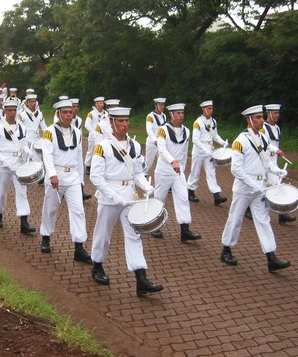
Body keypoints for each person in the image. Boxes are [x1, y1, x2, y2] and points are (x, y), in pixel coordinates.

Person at [89, 106, 163, 297]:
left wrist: (146, 186)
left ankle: (141, 278)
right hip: (109, 196)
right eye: (120, 121)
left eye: (127, 121)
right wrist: (114, 196)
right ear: (112, 123)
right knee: (103, 234)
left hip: (129, 197)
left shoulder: (135, 146)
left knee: (134, 235)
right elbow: (96, 177)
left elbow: (137, 172)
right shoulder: (102, 146)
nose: (125, 124)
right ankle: (97, 265)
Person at [220, 105, 291, 272]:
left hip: (260, 187)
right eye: (258, 117)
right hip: (244, 188)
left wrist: (277, 170)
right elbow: (235, 169)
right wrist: (253, 185)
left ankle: (271, 257)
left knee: (264, 221)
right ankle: (226, 250)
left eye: (261, 117)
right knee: (235, 219)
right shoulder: (240, 141)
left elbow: (266, 162)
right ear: (249, 120)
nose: (262, 120)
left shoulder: (263, 138)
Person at [39, 99, 91, 260]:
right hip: (56, 176)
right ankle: (46, 237)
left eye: (70, 112)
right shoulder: (49, 131)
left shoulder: (77, 132)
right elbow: (46, 154)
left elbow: (78, 157)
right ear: (58, 114)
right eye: (65, 112)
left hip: (73, 176)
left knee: (78, 211)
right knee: (51, 209)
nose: (69, 115)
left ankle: (79, 246)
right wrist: (52, 174)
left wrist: (81, 180)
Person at [153, 103, 202, 242]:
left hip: (178, 170)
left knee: (183, 198)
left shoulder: (186, 131)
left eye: (182, 113)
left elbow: (185, 152)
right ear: (171, 114)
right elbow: (162, 149)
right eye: (178, 113)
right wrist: (172, 161)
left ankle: (185, 230)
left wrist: (182, 167)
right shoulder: (163, 130)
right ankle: (155, 226)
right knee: (159, 198)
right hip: (164, 169)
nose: (181, 115)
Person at [0, 99, 36, 233]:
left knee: (22, 192)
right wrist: (3, 160)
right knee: (1, 191)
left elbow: (24, 144)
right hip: (4, 164)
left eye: (14, 110)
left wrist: (28, 152)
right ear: (5, 111)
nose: (12, 113)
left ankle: (24, 221)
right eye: (9, 110)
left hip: (19, 162)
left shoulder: (21, 127)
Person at [186, 100, 228, 205]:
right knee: (195, 171)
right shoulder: (198, 122)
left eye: (212, 108)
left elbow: (215, 135)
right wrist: (205, 150)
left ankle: (216, 195)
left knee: (211, 172)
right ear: (203, 110)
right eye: (209, 108)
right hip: (199, 150)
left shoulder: (213, 121)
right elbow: (195, 139)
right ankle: (190, 191)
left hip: (209, 149)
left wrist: (223, 143)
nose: (211, 110)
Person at [261, 104, 296, 224]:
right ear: (269, 113)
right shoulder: (262, 128)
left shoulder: (277, 128)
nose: (277, 115)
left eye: (278, 113)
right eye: (275, 113)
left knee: (276, 184)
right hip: (264, 160)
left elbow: (276, 143)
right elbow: (264, 144)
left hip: (273, 160)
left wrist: (277, 152)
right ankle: (250, 208)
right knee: (263, 186)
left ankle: (282, 213)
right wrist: (275, 150)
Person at [18, 92, 47, 160]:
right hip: (26, 141)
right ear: (27, 103)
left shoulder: (40, 114)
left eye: (34, 101)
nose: (33, 103)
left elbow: (44, 127)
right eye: (31, 102)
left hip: (36, 140)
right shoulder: (22, 115)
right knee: (25, 161)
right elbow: (20, 130)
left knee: (37, 161)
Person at [83, 96, 106, 175]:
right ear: (96, 104)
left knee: (102, 151)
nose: (102, 104)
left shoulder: (105, 113)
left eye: (103, 103)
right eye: (100, 103)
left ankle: (100, 167)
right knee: (91, 151)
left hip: (102, 135)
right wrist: (93, 132)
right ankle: (88, 166)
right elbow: (87, 125)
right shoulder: (91, 114)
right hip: (93, 135)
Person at [144, 98, 166, 175]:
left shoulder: (164, 116)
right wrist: (154, 140)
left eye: (163, 105)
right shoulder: (150, 116)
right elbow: (149, 130)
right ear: (156, 105)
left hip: (161, 142)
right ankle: (144, 174)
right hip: (152, 143)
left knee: (162, 160)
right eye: (161, 105)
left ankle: (160, 174)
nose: (163, 106)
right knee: (149, 161)